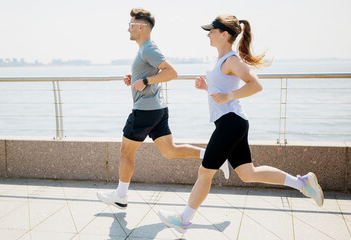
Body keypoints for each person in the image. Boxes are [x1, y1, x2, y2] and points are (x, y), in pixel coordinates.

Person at [158, 14, 324, 234]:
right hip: (231, 123)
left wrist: (228, 97)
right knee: (248, 174)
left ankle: (184, 220)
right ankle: (302, 183)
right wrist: (207, 88)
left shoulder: (232, 60)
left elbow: (255, 85)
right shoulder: (221, 60)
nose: (208, 34)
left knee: (204, 172)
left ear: (224, 34)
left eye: (212, 31)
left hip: (231, 123)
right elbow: (223, 90)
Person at [97, 8, 230, 210]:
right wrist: (135, 79)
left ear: (140, 27)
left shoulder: (148, 49)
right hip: (157, 109)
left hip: (145, 111)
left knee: (126, 152)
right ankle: (215, 156)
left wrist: (144, 80)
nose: (127, 29)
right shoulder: (145, 48)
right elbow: (152, 74)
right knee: (170, 151)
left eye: (130, 25)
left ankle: (120, 196)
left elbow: (172, 72)